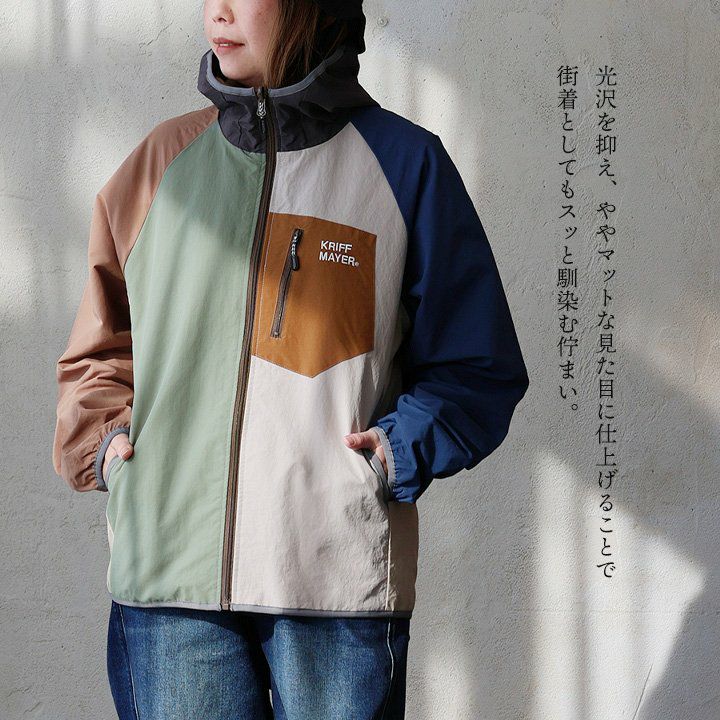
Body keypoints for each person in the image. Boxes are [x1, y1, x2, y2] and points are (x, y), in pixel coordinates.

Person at [52, 0, 530, 717]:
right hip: (170, 584)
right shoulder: (161, 163)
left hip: (334, 582)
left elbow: (477, 363)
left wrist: (393, 454)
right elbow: (99, 347)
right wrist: (109, 445)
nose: (218, 12)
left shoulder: (405, 166)